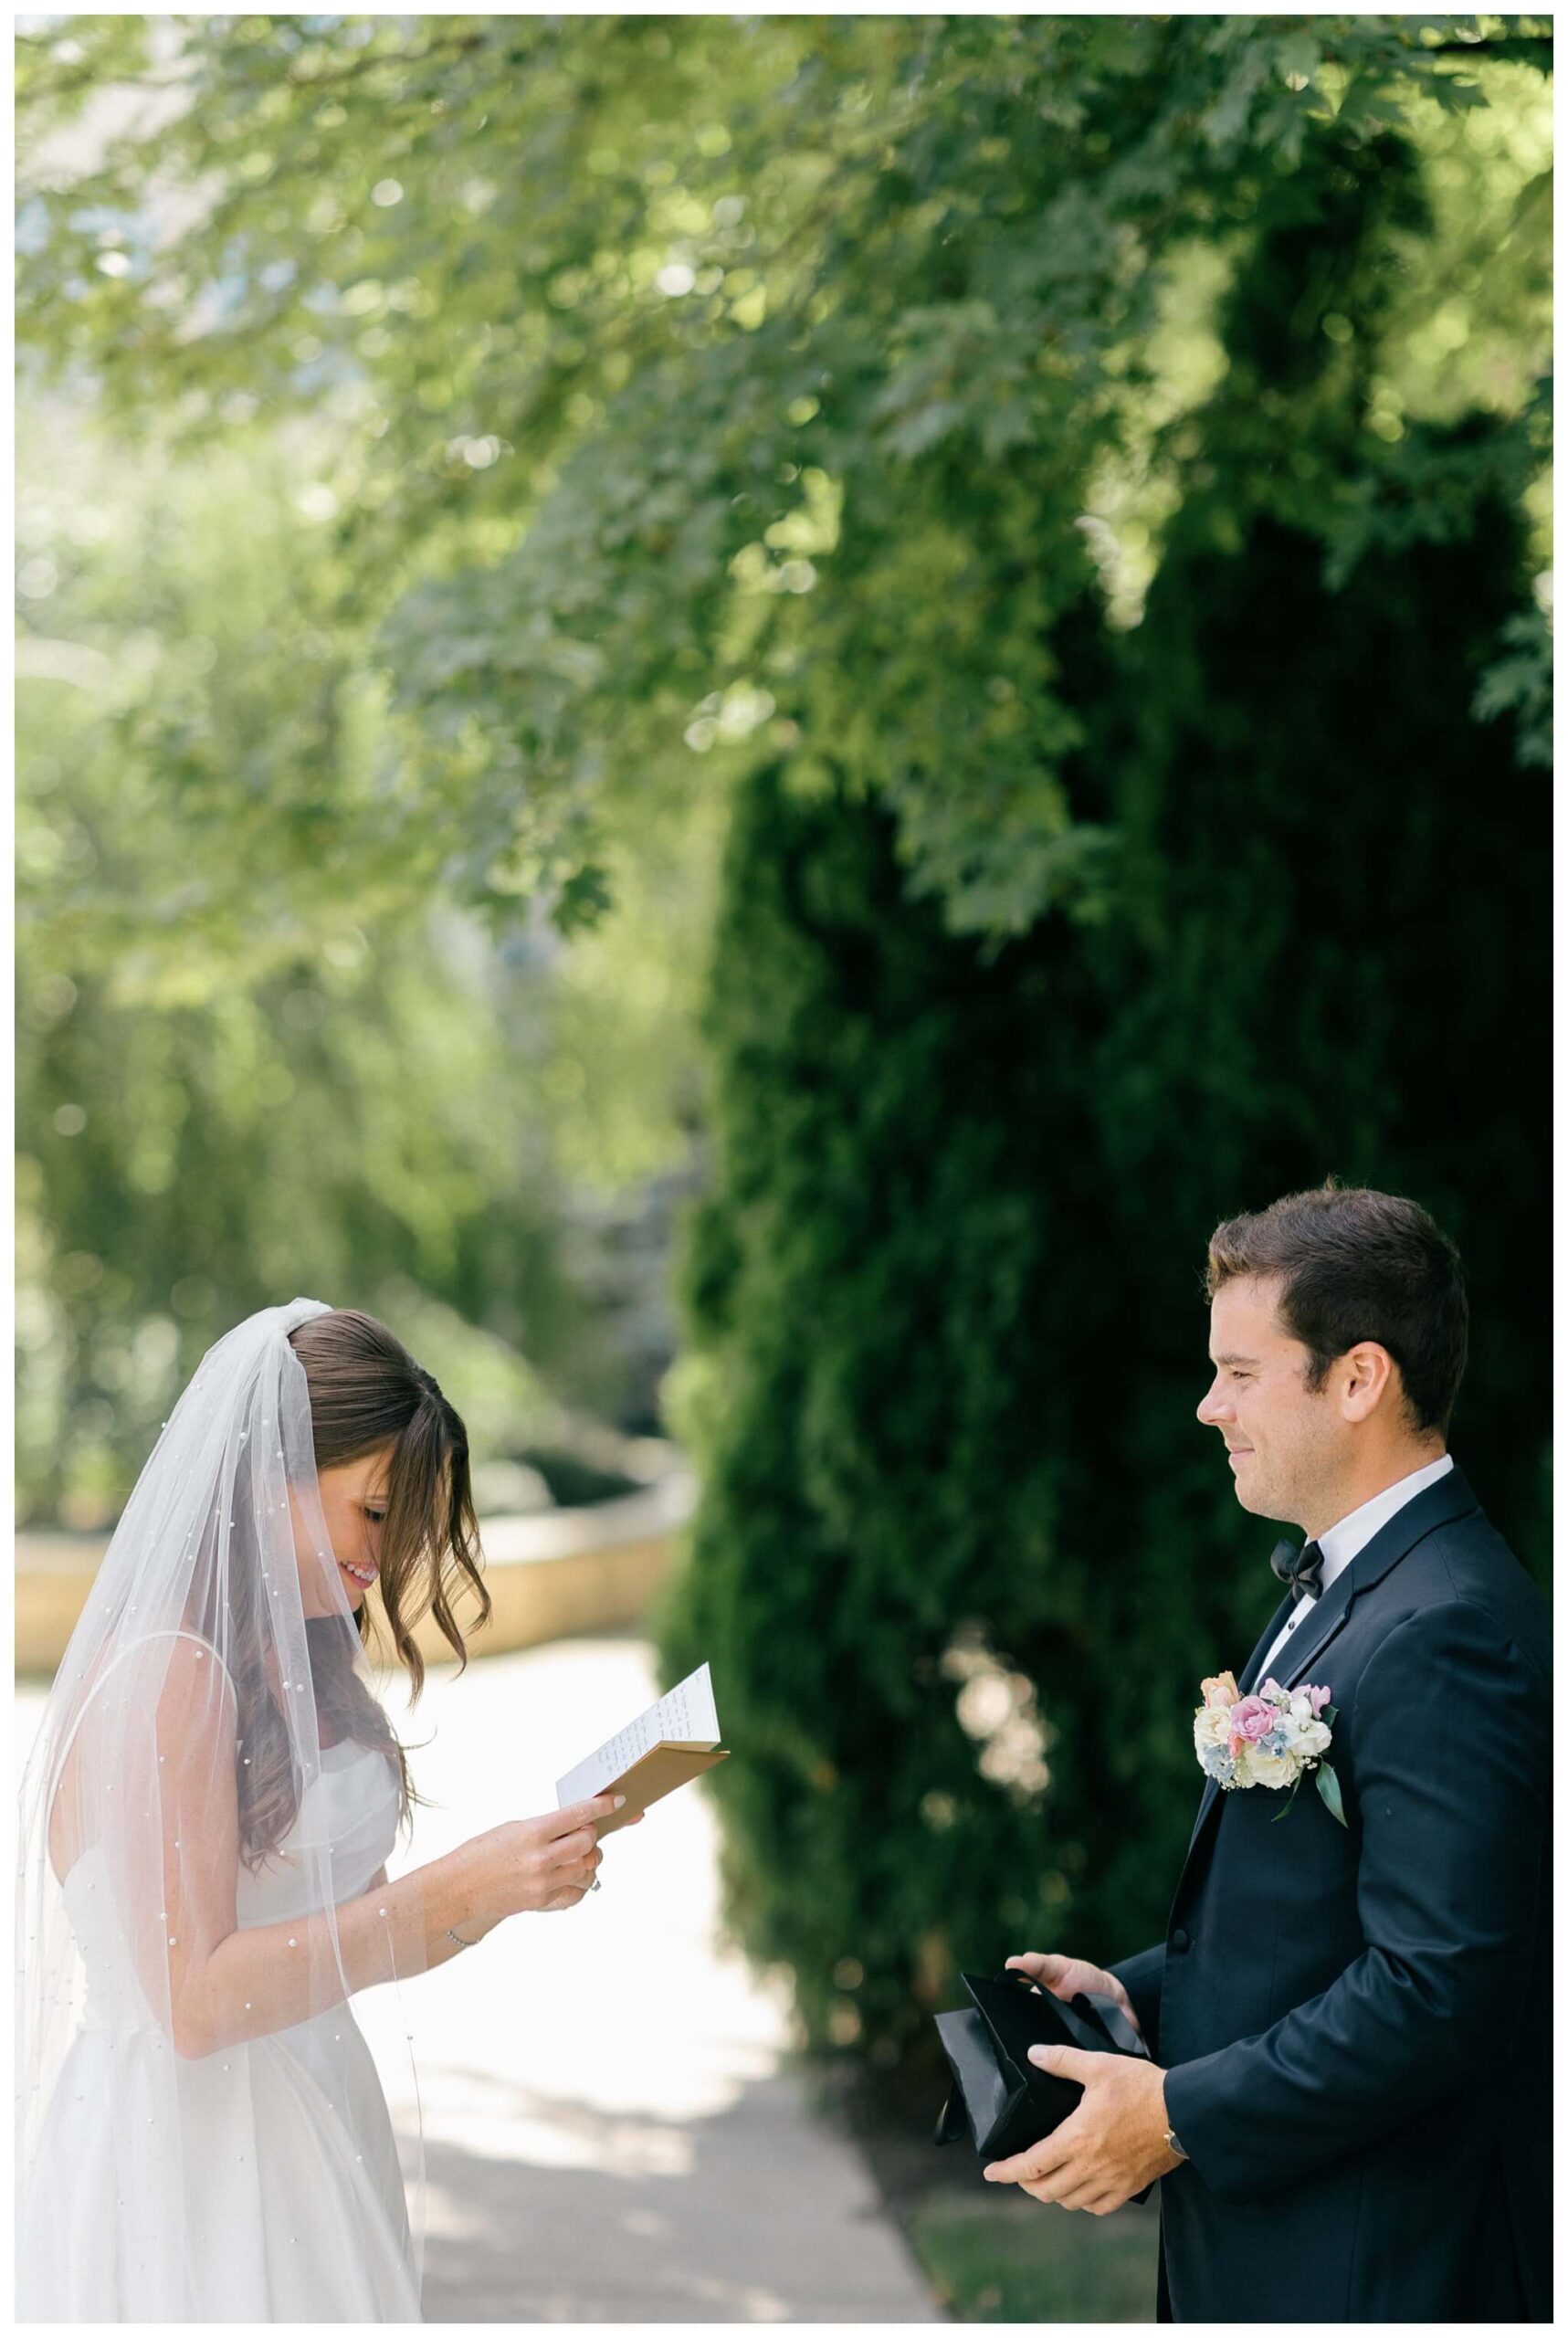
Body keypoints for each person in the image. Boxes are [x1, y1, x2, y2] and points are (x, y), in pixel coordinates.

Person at [985, 1185, 1551, 2322]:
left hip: (1366, 2261)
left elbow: (1435, 1987)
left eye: (1241, 1373)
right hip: (1275, 2233)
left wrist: (1177, 2113)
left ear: (1357, 1379)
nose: (1208, 1407)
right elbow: (1324, 1912)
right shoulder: (1337, 1582)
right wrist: (1140, 1995)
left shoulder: (1447, 1625)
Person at [16, 1300, 636, 2322]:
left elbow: (356, 1940)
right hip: (193, 2160)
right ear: (273, 1470)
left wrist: (511, 1881)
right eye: (377, 1512)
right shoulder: (174, 1667)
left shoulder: (295, 1652)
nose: (388, 1559)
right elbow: (194, 2001)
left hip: (313, 2116)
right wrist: (457, 1883)